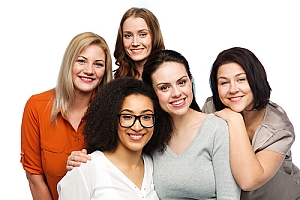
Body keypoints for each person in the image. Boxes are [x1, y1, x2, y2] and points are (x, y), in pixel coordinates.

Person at [67, 50, 241, 199]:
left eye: (182, 82)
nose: (176, 93)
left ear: (191, 81)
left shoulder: (216, 128)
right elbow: (115, 159)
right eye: (164, 87)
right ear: (152, 93)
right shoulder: (148, 132)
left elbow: (230, 196)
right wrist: (80, 162)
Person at [20, 32, 113, 200]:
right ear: (69, 63)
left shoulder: (112, 112)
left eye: (98, 64)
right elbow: (35, 178)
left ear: (105, 71)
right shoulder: (36, 106)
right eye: (81, 61)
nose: (89, 70)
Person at [202, 47, 300, 200]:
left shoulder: (278, 128)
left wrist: (235, 120)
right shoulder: (211, 108)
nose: (233, 89)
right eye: (224, 82)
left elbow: (249, 181)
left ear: (255, 80)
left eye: (241, 79)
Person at [58, 77, 172, 199]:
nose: (138, 127)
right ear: (111, 119)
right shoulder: (85, 170)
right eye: (127, 117)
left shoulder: (153, 165)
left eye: (146, 117)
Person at [113, 7, 165, 79]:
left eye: (142, 34)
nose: (135, 43)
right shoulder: (116, 80)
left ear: (154, 36)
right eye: (128, 36)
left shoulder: (168, 73)